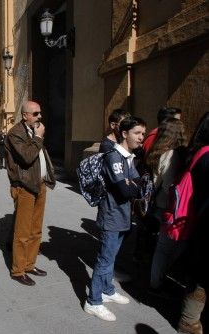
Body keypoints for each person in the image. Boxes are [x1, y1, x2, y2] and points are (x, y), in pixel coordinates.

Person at [83, 117, 146, 322]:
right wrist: (131, 184)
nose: (142, 138)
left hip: (123, 215)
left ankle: (108, 290)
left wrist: (132, 184)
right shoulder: (113, 157)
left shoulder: (128, 157)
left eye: (143, 133)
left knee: (112, 256)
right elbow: (125, 189)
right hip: (111, 215)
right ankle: (93, 301)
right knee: (105, 259)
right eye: (137, 133)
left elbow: (138, 184)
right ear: (125, 134)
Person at [5, 101, 56, 286]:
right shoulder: (15, 133)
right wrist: (39, 137)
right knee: (23, 231)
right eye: (35, 113)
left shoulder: (34, 131)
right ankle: (18, 270)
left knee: (36, 229)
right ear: (25, 115)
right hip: (25, 186)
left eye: (40, 113)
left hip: (39, 185)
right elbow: (26, 157)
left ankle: (29, 264)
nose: (39, 116)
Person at [144, 118, 187, 293]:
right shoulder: (171, 154)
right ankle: (156, 282)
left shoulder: (160, 150)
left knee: (162, 246)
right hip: (167, 206)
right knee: (165, 248)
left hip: (160, 204)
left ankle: (157, 278)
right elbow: (169, 185)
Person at [177, 112, 209, 334]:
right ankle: (189, 323)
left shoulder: (199, 151)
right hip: (205, 223)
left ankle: (189, 321)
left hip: (200, 220)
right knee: (201, 276)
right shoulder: (207, 155)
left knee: (199, 273)